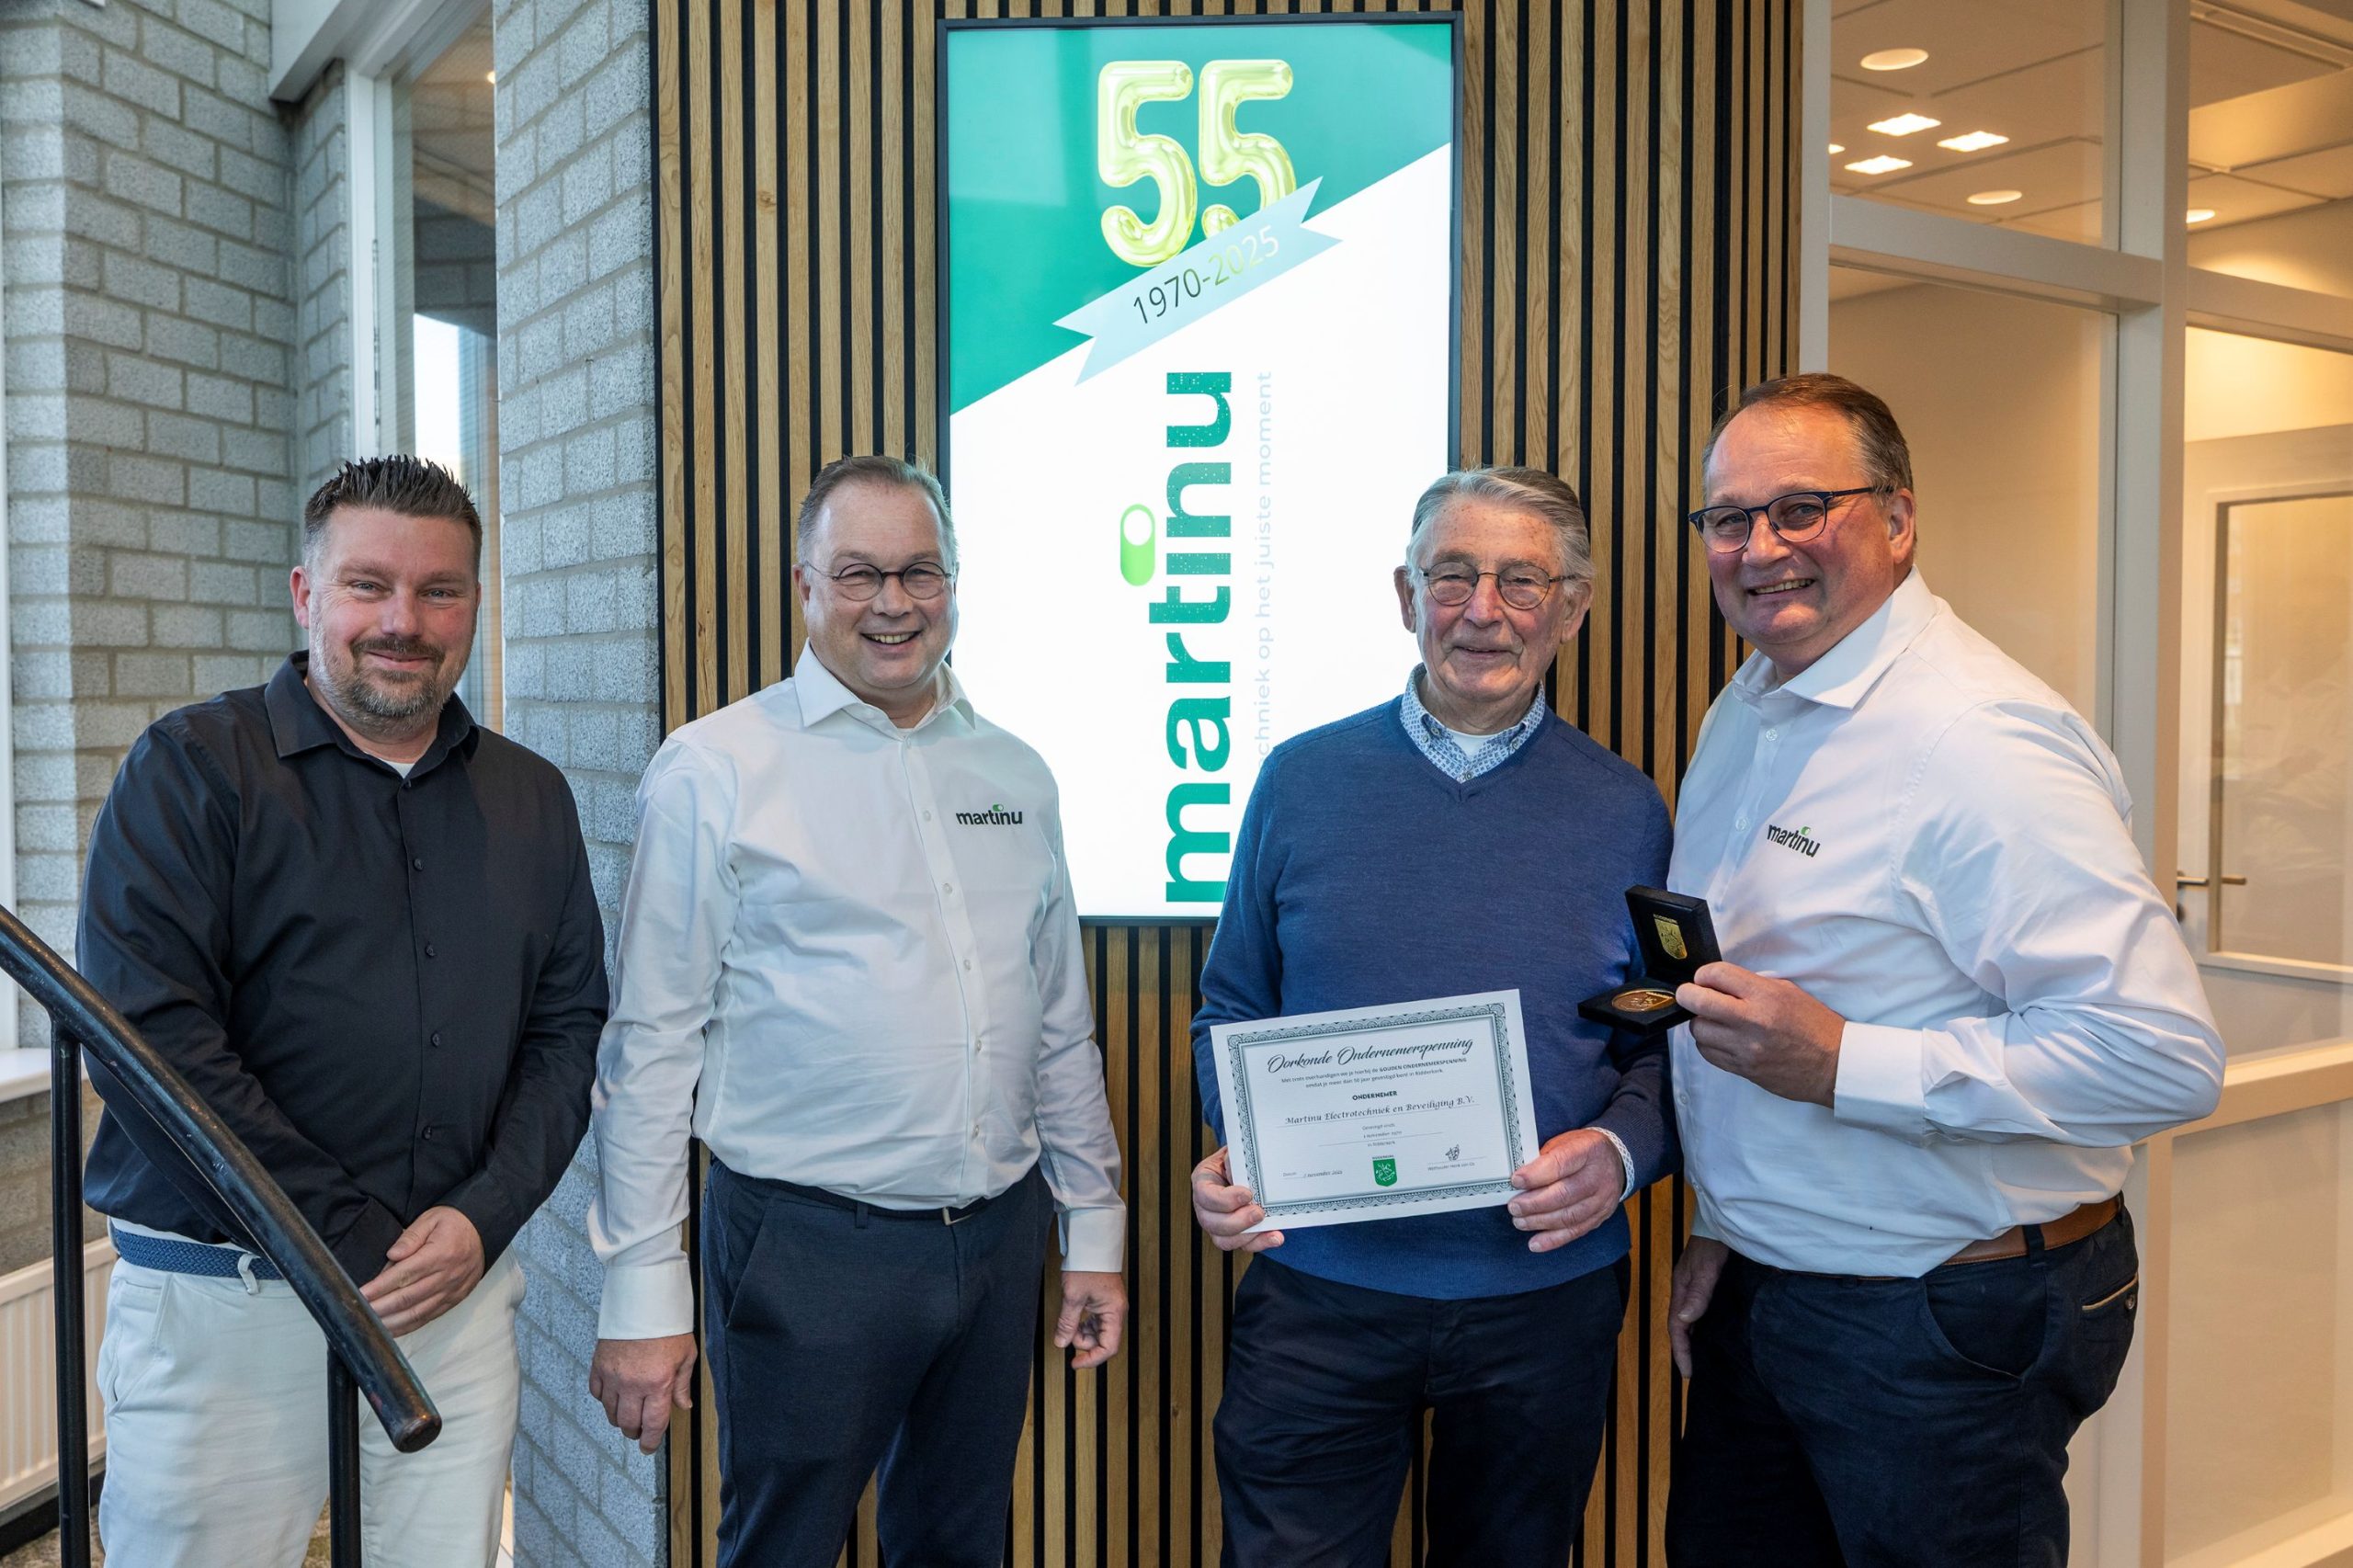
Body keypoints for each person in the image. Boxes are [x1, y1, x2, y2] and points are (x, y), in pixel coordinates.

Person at [1662, 374, 2225, 1566]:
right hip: (1774, 1288)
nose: (1760, 548)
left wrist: (1843, 1061)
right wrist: (1728, 1217)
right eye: (1729, 517)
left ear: (1899, 519)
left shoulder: (1975, 739)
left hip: (1940, 1314)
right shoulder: (1750, 705)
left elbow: (2158, 1055)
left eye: (1802, 507)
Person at [585, 455, 1128, 1567]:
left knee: (960, 1542)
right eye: (859, 573)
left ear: (954, 582)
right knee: (783, 1547)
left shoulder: (1016, 772)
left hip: (998, 1236)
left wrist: (1094, 1229)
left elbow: (1057, 1025)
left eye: (920, 571)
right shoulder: (715, 769)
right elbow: (649, 1047)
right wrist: (642, 1288)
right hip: (805, 1248)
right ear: (805, 586)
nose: (894, 602)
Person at [77, 456, 608, 1567]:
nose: (403, 621)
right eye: (369, 585)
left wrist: (483, 1217)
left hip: (453, 1305)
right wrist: (356, 1242)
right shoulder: (190, 770)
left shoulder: (532, 797)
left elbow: (566, 1033)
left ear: (474, 603)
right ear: (304, 593)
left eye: (438, 590)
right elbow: (153, 1046)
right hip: (231, 1309)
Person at [1188, 467, 1675, 1568]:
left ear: (1572, 606)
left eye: (1520, 580)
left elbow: (1658, 1039)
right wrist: (1243, 1140)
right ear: (1406, 596)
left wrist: (1619, 1150)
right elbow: (1230, 1005)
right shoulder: (1299, 780)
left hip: (1540, 1296)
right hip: (1318, 1292)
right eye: (1450, 575)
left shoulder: (1626, 809)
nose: (1481, 609)